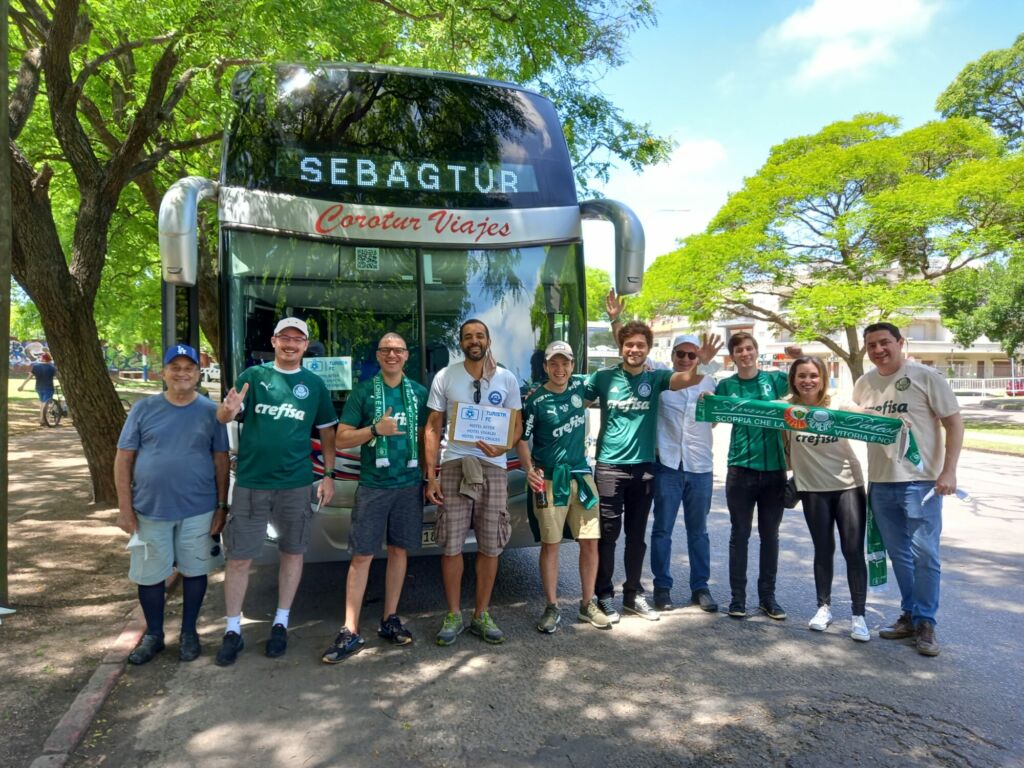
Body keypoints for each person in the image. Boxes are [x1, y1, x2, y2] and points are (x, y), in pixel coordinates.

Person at [215, 317, 338, 666]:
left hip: (297, 483)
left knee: (293, 552)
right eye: (285, 337)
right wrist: (227, 410)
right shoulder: (253, 377)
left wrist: (328, 476)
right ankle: (232, 630)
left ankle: (281, 623)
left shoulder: (313, 385)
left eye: (298, 340)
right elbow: (225, 417)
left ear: (305, 346)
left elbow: (328, 433)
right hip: (252, 482)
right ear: (273, 341)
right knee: (239, 556)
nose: (290, 344)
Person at [114, 344, 229, 664]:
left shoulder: (211, 411)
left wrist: (222, 506)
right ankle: (154, 635)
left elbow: (221, 460)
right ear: (163, 372)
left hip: (199, 509)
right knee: (149, 575)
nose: (182, 373)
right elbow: (124, 458)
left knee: (195, 571)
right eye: (174, 367)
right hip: (150, 509)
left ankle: (189, 633)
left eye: (188, 367)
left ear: (197, 373)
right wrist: (125, 508)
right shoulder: (143, 409)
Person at [852, 322, 963, 657]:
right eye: (871, 345)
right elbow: (858, 423)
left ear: (901, 342)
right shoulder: (864, 383)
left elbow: (954, 422)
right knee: (899, 555)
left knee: (925, 555)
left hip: (921, 482)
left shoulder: (927, 377)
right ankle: (910, 615)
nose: (878, 350)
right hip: (881, 482)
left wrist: (949, 471)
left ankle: (926, 622)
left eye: (885, 343)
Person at [584, 319, 704, 623]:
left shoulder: (658, 377)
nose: (634, 349)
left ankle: (633, 594)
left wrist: (705, 361)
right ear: (621, 347)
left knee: (637, 536)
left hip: (644, 470)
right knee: (607, 537)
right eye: (629, 344)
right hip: (610, 467)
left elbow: (688, 379)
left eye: (640, 345)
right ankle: (604, 596)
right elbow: (576, 402)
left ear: (648, 350)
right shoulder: (603, 377)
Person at [321, 333, 428, 663]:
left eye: (398, 349)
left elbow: (430, 438)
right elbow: (340, 438)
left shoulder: (421, 395)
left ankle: (390, 619)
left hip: (409, 485)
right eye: (386, 350)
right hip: (373, 486)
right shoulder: (364, 391)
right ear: (379, 356)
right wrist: (374, 430)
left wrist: (430, 478)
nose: (392, 354)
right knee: (362, 555)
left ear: (407, 356)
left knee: (399, 552)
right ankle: (350, 629)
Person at [424, 319, 522, 645]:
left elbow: (517, 426)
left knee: (491, 545)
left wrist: (504, 445)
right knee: (451, 544)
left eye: (479, 336)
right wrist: (431, 475)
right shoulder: (446, 376)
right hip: (454, 464)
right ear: (461, 343)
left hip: (493, 467)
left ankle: (481, 614)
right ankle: (453, 614)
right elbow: (432, 428)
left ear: (488, 340)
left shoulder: (507, 378)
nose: (474, 341)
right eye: (468, 336)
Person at [516, 341, 611, 633]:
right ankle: (552, 606)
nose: (560, 369)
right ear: (546, 367)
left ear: (573, 365)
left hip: (581, 477)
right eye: (554, 364)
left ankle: (587, 603)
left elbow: (618, 373)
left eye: (565, 363)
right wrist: (529, 469)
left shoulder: (581, 388)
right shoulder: (535, 399)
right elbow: (521, 439)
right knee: (551, 544)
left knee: (590, 541)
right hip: (548, 480)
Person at [786, 356, 870, 642]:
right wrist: (711, 399)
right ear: (793, 379)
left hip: (847, 486)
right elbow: (747, 412)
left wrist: (892, 418)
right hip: (812, 489)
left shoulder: (837, 403)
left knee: (853, 551)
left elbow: (864, 413)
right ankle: (823, 608)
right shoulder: (786, 407)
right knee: (823, 550)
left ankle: (859, 616)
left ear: (822, 377)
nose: (807, 381)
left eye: (813, 375)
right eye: (801, 376)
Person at [717, 331, 791, 621]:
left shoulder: (774, 379)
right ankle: (738, 599)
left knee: (770, 536)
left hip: (774, 470)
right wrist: (705, 399)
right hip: (740, 469)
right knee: (740, 535)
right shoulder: (726, 385)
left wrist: (796, 355)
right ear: (732, 356)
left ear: (756, 351)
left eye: (749, 348)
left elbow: (807, 383)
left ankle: (768, 598)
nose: (745, 353)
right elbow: (710, 414)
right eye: (739, 350)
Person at [650, 334, 722, 613]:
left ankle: (700, 588)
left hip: (700, 467)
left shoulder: (711, 381)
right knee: (662, 530)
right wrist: (615, 320)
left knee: (698, 532)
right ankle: (662, 587)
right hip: (668, 464)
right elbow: (634, 350)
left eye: (692, 355)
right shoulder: (661, 378)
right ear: (672, 355)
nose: (686, 359)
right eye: (681, 353)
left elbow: (714, 422)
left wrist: (712, 404)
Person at [18, 351, 57, 426]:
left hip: (38, 387)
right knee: (45, 403)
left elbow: (29, 377)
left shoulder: (36, 367)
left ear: (42, 359)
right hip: (48, 387)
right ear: (48, 359)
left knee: (42, 403)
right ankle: (42, 420)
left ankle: (42, 419)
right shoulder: (52, 368)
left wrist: (22, 386)